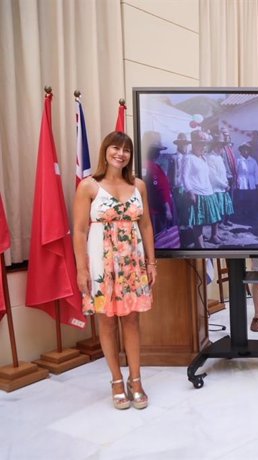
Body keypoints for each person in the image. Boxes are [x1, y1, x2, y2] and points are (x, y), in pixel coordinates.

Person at [73, 131, 156, 410]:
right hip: (101, 264)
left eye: (126, 150)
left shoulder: (138, 186)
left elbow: (145, 226)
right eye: (115, 148)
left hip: (132, 263)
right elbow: (80, 230)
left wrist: (151, 263)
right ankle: (116, 381)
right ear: (105, 150)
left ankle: (136, 379)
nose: (120, 153)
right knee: (106, 321)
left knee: (132, 320)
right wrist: (81, 269)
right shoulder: (89, 187)